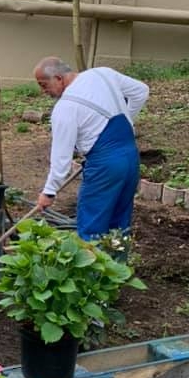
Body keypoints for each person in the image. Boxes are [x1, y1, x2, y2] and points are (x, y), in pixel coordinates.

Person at [34, 57, 149, 241]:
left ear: (58, 78)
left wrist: (49, 192)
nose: (43, 91)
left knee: (91, 225)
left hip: (105, 166)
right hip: (130, 157)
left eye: (43, 84)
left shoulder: (65, 108)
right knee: (119, 224)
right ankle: (117, 267)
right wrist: (127, 119)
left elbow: (61, 160)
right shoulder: (102, 74)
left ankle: (92, 269)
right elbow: (141, 91)